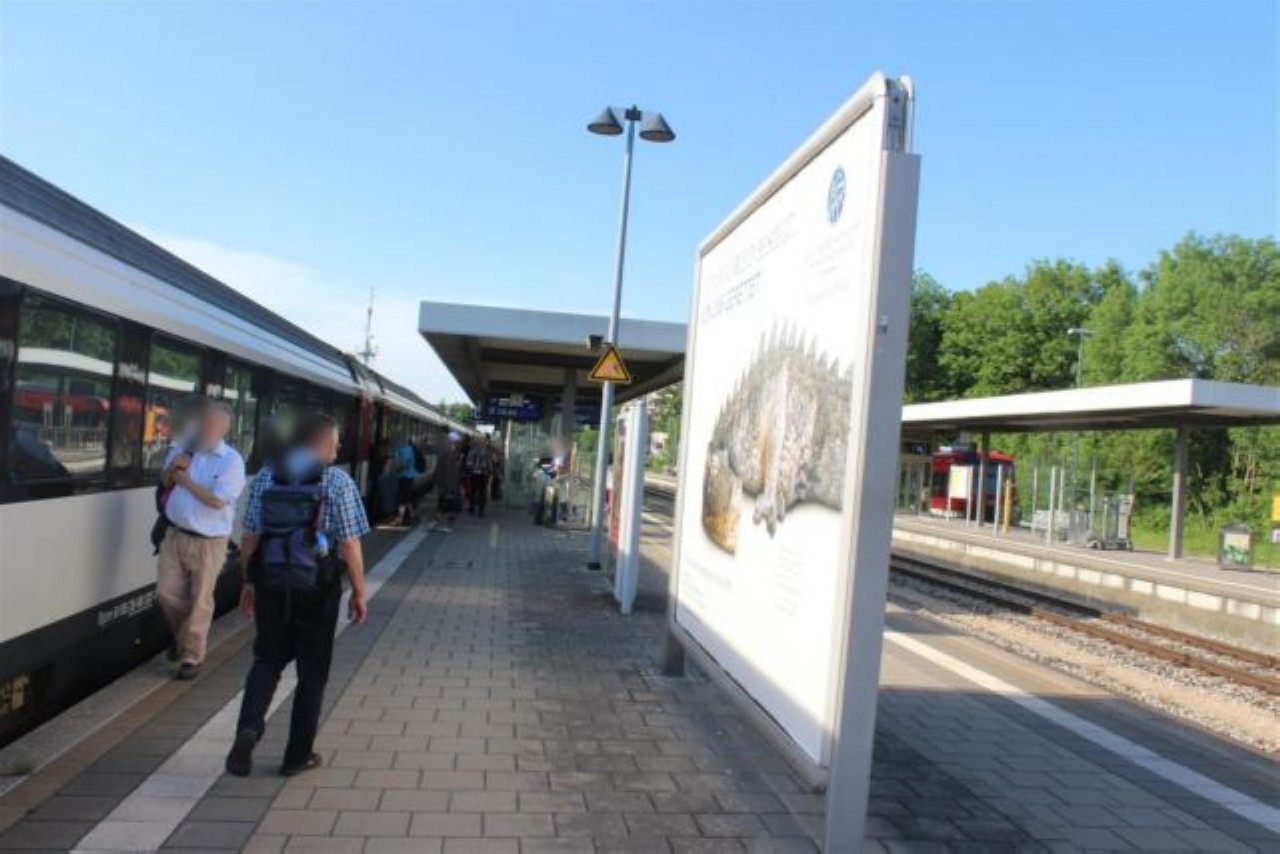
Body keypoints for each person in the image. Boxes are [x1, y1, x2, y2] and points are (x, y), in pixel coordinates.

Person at [225, 412, 370, 778]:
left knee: (266, 660)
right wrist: (359, 592)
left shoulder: (266, 476)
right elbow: (350, 544)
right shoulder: (337, 480)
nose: (338, 450)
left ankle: (249, 729)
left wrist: (248, 582)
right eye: (335, 443)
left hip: (272, 582)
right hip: (317, 586)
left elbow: (250, 538)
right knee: (312, 674)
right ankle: (296, 757)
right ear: (322, 444)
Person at [156, 400, 246, 680]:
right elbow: (164, 481)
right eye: (205, 423)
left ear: (225, 429)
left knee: (200, 599)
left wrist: (186, 481)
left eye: (214, 425)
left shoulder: (231, 461)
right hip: (175, 534)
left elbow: (217, 501)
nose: (207, 429)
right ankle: (184, 638)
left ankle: (191, 657)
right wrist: (173, 471)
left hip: (209, 541)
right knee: (166, 592)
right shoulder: (183, 449)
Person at [431, 432, 464, 532]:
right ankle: (439, 523)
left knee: (450, 506)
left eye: (449, 442)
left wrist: (451, 487)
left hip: (450, 486)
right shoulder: (450, 456)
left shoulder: (454, 457)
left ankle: (447, 525)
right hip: (447, 485)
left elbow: (453, 473)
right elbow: (439, 470)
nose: (447, 443)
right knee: (445, 505)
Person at [393, 435, 420, 526]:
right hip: (409, 476)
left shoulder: (400, 449)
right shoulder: (409, 449)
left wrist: (398, 469)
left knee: (402, 498)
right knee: (407, 496)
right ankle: (411, 514)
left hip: (404, 476)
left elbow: (402, 464)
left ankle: (401, 517)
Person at [465, 435, 494, 517]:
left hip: (475, 473)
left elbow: (469, 462)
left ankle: (472, 507)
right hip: (484, 473)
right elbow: (489, 462)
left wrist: (470, 468)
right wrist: (490, 470)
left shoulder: (473, 450)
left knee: (473, 490)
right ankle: (481, 510)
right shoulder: (487, 451)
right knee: (482, 492)